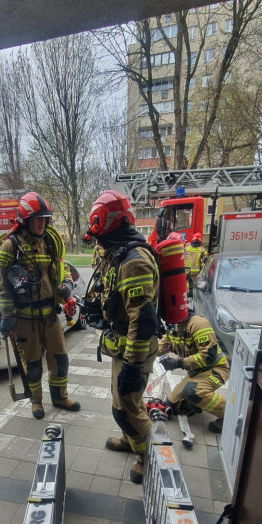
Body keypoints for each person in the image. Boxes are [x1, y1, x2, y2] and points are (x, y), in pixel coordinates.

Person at [84, 190, 160, 484]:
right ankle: (131, 441)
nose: (97, 242)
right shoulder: (117, 251)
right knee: (125, 402)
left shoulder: (133, 261)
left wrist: (131, 366)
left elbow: (143, 320)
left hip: (134, 350)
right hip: (123, 346)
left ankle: (148, 457)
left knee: (126, 409)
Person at [0, 191, 81, 419]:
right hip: (26, 319)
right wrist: (7, 316)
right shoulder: (10, 247)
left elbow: (62, 267)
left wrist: (66, 284)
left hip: (50, 316)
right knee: (33, 365)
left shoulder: (50, 243)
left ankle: (60, 397)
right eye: (36, 219)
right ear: (24, 220)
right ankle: (36, 401)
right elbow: (3, 286)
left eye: (45, 219)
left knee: (60, 360)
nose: (42, 223)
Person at [157, 310, 229, 433]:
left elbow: (208, 356)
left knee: (193, 392)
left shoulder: (199, 324)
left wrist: (178, 363)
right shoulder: (173, 325)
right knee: (170, 405)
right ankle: (195, 402)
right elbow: (159, 349)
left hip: (215, 369)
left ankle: (229, 415)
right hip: (195, 373)